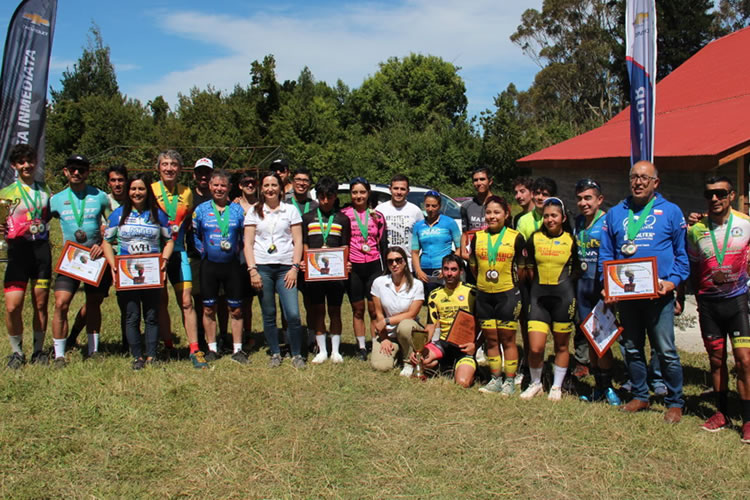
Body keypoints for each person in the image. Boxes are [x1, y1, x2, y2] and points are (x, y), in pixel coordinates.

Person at [599, 160, 689, 423]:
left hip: (659, 296)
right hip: (626, 295)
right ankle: (639, 395)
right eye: (634, 177)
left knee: (666, 350)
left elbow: (682, 258)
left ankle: (674, 402)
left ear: (655, 183)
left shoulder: (671, 212)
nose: (638, 182)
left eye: (644, 178)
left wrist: (672, 282)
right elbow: (607, 254)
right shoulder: (616, 213)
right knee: (631, 348)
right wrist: (608, 286)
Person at [687, 176, 750, 441]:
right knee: (715, 360)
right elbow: (691, 264)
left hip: (737, 302)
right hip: (708, 303)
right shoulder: (695, 229)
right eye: (709, 194)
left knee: (745, 361)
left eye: (721, 193)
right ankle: (721, 413)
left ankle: (747, 420)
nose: (714, 199)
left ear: (731, 196)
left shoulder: (746, 224)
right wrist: (681, 296)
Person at [101, 174, 175, 370]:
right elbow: (106, 242)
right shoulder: (118, 215)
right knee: (132, 315)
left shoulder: (158, 214)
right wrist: (113, 265)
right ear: (128, 191)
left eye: (141, 189)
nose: (137, 193)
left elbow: (169, 241)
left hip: (152, 272)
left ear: (147, 191)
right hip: (127, 272)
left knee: (151, 314)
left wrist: (164, 261)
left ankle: (152, 355)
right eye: (133, 189)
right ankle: (137, 357)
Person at [49, 154, 111, 366]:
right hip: (71, 260)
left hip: (95, 259)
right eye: (72, 168)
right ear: (66, 171)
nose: (77, 173)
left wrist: (103, 245)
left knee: (94, 303)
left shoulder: (100, 196)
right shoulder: (55, 200)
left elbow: (113, 226)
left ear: (88, 172)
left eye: (81, 169)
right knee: (61, 303)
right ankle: (59, 355)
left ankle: (93, 351)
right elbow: (38, 222)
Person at [244, 171, 306, 369]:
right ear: (262, 189)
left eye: (274, 185)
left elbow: (298, 241)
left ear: (281, 188)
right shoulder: (254, 211)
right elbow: (248, 243)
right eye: (266, 185)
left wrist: (295, 267)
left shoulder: (290, 211)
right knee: (268, 312)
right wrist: (252, 270)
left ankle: (297, 354)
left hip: (286, 269)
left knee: (293, 314)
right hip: (262, 268)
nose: (270, 189)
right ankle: (275, 353)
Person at [520, 197, 579, 401]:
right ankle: (536, 383)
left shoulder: (572, 240)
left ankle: (556, 386)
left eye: (554, 215)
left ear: (562, 218)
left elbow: (579, 269)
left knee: (561, 346)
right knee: (536, 347)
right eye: (546, 216)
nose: (549, 219)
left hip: (563, 297)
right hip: (538, 298)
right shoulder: (534, 238)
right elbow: (526, 267)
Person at [68, 163, 129, 351]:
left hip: (126, 257)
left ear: (126, 181)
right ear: (108, 183)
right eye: (113, 180)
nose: (117, 184)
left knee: (127, 302)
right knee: (94, 300)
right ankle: (72, 336)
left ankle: (128, 344)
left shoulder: (135, 198)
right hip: (103, 255)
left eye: (120, 180)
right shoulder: (101, 200)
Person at [1, 144, 52, 368]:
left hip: (41, 252)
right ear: (15, 165)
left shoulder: (46, 190)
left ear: (35, 162)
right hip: (17, 253)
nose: (27, 165)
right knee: (13, 306)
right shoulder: (5, 194)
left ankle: (39, 351)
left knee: (40, 304)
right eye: (21, 162)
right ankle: (17, 352)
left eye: (30, 161)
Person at [468, 196, 525, 395]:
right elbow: (473, 266)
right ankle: (495, 378)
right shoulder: (478, 237)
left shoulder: (515, 237)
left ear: (506, 214)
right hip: (484, 294)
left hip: (507, 294)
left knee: (508, 339)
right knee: (491, 340)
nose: (492, 216)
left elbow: (523, 269)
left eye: (497, 212)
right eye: (489, 212)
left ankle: (509, 380)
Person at [151, 150, 202, 366]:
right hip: (157, 254)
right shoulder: (151, 190)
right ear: (158, 168)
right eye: (165, 164)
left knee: (186, 301)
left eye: (173, 164)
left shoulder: (187, 192)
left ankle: (194, 349)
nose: (169, 168)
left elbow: (187, 221)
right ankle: (169, 345)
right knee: (161, 301)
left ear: (180, 169)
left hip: (179, 252)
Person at [193, 170, 248, 364]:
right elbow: (195, 235)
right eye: (215, 185)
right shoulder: (200, 210)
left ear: (229, 188)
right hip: (209, 265)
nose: (219, 189)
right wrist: (205, 252)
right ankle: (212, 348)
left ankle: (238, 349)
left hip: (232, 265)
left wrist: (237, 252)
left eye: (223, 185)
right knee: (208, 308)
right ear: (209, 186)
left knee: (236, 309)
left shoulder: (237, 210)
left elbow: (244, 236)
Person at [574, 179, 620, 405]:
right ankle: (598, 386)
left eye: (588, 198)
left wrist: (611, 287)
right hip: (583, 288)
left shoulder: (608, 222)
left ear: (599, 200)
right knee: (591, 339)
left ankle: (609, 386)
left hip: (602, 289)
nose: (583, 203)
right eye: (580, 198)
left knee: (603, 341)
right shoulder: (578, 222)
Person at [301, 176, 351, 364]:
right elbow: (305, 244)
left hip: (336, 274)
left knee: (335, 310)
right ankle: (322, 350)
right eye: (321, 196)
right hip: (314, 273)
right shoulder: (307, 218)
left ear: (335, 196)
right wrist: (304, 262)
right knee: (318, 310)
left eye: (329, 197)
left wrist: (346, 264)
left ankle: (336, 350)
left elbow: (345, 246)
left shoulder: (342, 219)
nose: (325, 200)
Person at [514, 176, 557, 386]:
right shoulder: (523, 220)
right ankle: (529, 365)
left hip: (554, 281)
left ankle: (555, 370)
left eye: (545, 194)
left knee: (555, 325)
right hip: (529, 282)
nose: (540, 197)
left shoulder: (559, 217)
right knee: (526, 322)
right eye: (537, 193)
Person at [413, 254, 479, 387]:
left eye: (454, 269)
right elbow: (431, 325)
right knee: (422, 361)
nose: (449, 273)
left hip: (464, 346)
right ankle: (443, 365)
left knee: (462, 383)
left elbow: (482, 325)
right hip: (443, 344)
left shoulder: (472, 292)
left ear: (461, 271)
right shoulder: (435, 295)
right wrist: (420, 350)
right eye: (446, 269)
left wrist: (475, 345)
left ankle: (467, 369)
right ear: (442, 271)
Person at [342, 177, 388, 360]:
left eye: (362, 192)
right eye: (355, 192)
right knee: (357, 309)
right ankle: (361, 347)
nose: (358, 196)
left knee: (374, 309)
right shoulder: (344, 214)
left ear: (368, 193)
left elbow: (382, 243)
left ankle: (375, 344)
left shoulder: (377, 216)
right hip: (354, 266)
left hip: (373, 264)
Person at [370, 246, 425, 373]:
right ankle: (398, 352)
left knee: (405, 325)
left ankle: (408, 361)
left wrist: (387, 321)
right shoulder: (379, 283)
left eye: (398, 260)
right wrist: (384, 338)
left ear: (405, 262)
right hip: (388, 334)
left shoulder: (417, 285)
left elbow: (411, 314)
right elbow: (378, 313)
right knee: (381, 367)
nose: (394, 264)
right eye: (390, 261)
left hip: (409, 330)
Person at [285, 167, 318, 348]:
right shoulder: (283, 204)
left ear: (309, 184)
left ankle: (312, 336)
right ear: (292, 181)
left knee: (310, 302)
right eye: (298, 179)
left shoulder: (315, 206)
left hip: (309, 261)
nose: (301, 183)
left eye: (305, 180)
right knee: (287, 301)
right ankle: (287, 337)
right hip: (287, 260)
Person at [411, 190, 460, 302]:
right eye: (427, 206)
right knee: (430, 304)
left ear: (440, 206)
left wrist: (447, 269)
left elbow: (459, 248)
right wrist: (418, 271)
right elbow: (414, 252)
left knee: (446, 302)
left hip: (444, 270)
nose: (430, 209)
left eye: (434, 206)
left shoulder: (450, 222)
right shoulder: (418, 226)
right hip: (425, 270)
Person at [375, 174, 424, 270]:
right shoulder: (380, 210)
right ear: (390, 189)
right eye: (396, 188)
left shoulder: (415, 211)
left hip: (409, 265)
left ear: (408, 191)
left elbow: (421, 238)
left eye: (402, 189)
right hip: (387, 264)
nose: (399, 192)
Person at [234, 171, 258, 342]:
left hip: (259, 254)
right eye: (246, 182)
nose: (250, 185)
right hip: (237, 256)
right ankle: (237, 335)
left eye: (253, 182)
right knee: (238, 299)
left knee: (250, 300)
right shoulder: (233, 206)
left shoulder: (263, 205)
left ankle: (248, 333)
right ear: (240, 186)